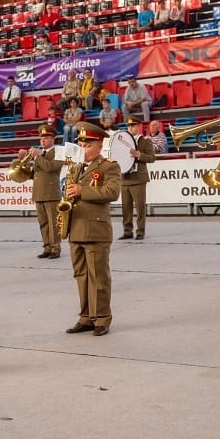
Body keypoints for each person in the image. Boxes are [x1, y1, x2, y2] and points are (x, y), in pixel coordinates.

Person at [63, 122, 121, 337]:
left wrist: (81, 190)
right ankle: (86, 316)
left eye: (87, 144)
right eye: (81, 143)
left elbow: (112, 192)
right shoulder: (76, 168)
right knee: (81, 275)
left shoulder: (109, 166)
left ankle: (102, 317)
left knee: (98, 276)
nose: (82, 147)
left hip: (96, 229)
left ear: (98, 144)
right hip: (76, 228)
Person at [21, 124, 65, 259]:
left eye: (46, 137)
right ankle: (47, 247)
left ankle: (55, 248)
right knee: (43, 223)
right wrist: (22, 161)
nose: (43, 140)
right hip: (39, 193)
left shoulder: (58, 152)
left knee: (53, 223)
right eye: (41, 138)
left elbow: (50, 167)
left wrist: (36, 157)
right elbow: (31, 174)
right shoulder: (40, 154)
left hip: (51, 193)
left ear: (53, 138)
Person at [118, 117, 155, 241]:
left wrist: (140, 155)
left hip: (138, 178)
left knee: (140, 207)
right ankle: (127, 231)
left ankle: (140, 231)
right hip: (125, 178)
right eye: (129, 126)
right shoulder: (123, 141)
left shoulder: (145, 141)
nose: (130, 128)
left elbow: (152, 158)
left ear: (138, 126)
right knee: (125, 208)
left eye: (133, 126)